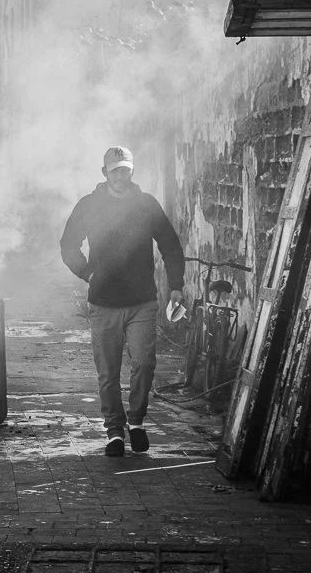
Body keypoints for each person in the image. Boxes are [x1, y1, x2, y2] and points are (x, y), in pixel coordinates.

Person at [60, 145, 186, 457]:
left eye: (125, 169)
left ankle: (137, 422)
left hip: (142, 300)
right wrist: (87, 274)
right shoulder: (89, 205)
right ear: (105, 173)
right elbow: (67, 245)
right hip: (103, 303)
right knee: (108, 371)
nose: (121, 175)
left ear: (132, 171)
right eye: (115, 170)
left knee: (144, 363)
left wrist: (176, 286)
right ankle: (115, 430)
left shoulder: (146, 204)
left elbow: (170, 244)